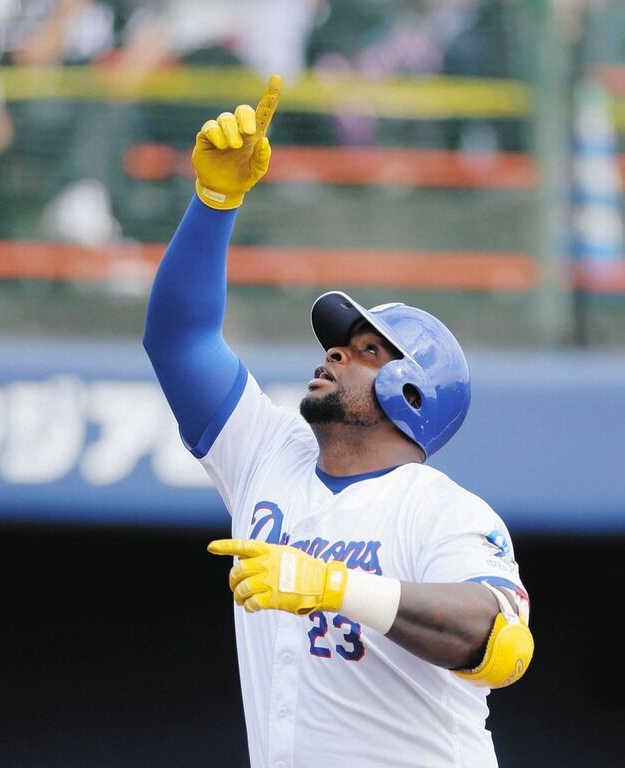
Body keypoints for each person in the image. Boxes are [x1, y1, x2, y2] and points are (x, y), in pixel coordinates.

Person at [143, 74, 533, 768]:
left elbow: (502, 645)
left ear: (414, 393)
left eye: (367, 351)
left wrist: (333, 587)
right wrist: (213, 201)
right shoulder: (267, 454)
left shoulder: (441, 509)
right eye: (340, 343)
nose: (334, 352)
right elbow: (179, 340)